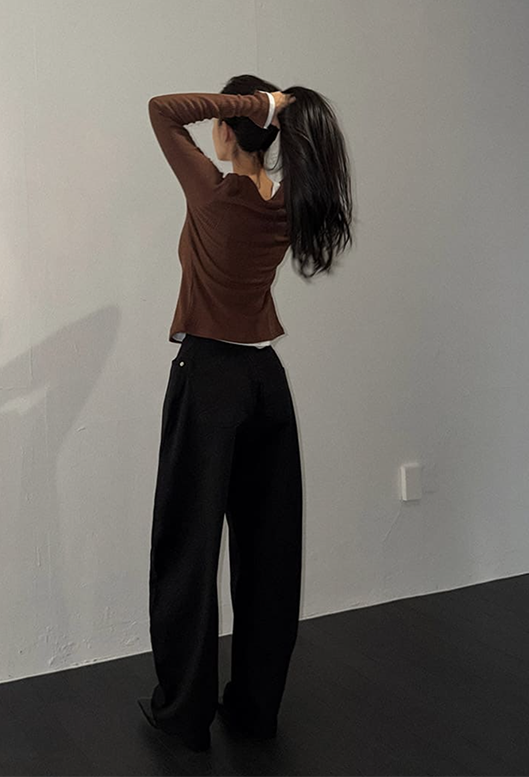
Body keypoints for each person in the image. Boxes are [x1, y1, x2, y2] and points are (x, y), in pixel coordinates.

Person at [138, 74, 354, 752]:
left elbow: (163, 111)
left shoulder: (212, 190)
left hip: (208, 379)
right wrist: (265, 112)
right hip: (266, 383)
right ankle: (255, 710)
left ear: (230, 131)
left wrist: (250, 104)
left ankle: (184, 714)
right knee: (269, 553)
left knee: (188, 548)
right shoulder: (288, 202)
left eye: (221, 123)